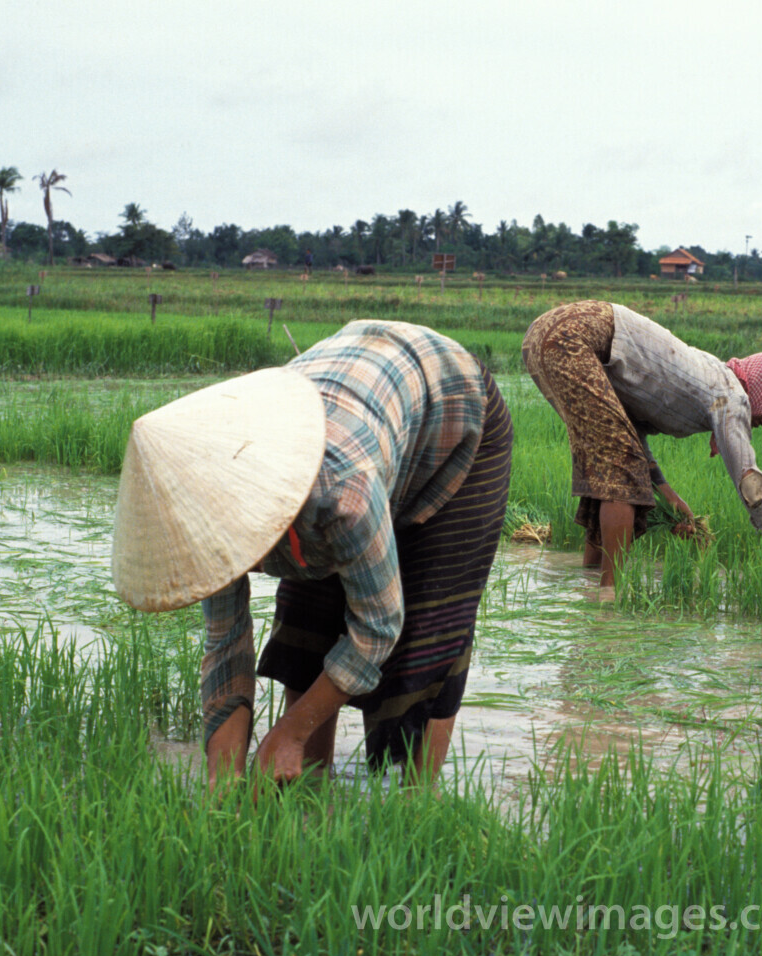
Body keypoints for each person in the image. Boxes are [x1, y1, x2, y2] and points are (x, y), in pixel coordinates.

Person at [112, 320, 512, 785]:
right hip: (353, 406)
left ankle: (418, 808)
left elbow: (379, 628)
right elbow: (227, 644)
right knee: (305, 623)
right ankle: (308, 790)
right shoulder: (212, 506)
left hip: (453, 409)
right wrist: (225, 786)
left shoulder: (343, 495)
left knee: (431, 628)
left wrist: (288, 733)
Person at [521, 300, 762, 598]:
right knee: (618, 468)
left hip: (541, 336)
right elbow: (750, 483)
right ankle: (610, 595)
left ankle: (588, 579)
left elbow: (629, 429)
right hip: (573, 337)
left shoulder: (708, 373)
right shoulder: (732, 395)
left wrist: (666, 494)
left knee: (605, 459)